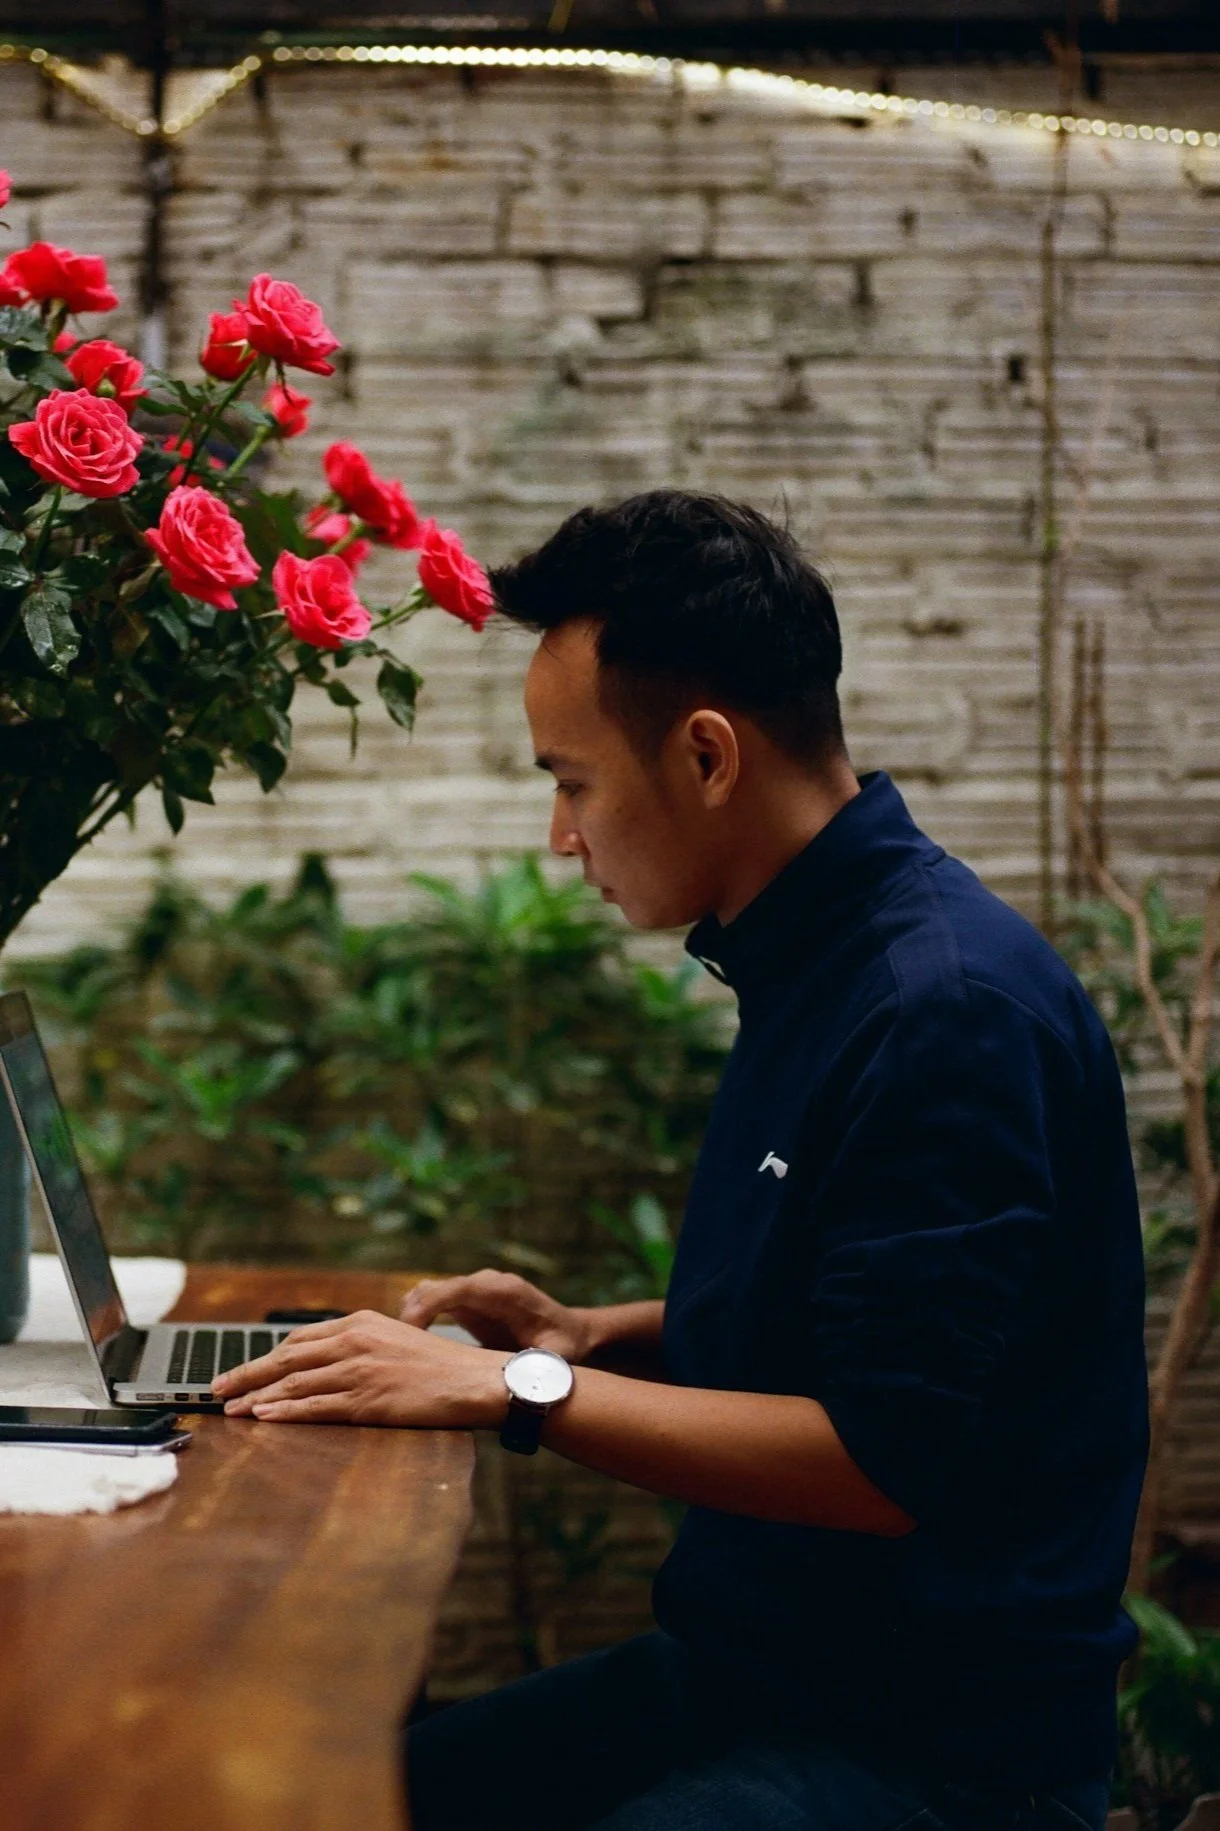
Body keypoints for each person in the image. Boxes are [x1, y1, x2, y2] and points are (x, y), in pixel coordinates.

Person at [212, 492, 1149, 1831]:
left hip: (935, 1753)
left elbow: (883, 1460)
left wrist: (515, 1386)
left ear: (708, 756)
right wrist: (595, 1334)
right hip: (757, 1677)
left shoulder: (941, 1010)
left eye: (571, 781)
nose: (562, 835)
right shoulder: (816, 958)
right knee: (334, 1796)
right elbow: (873, 1325)